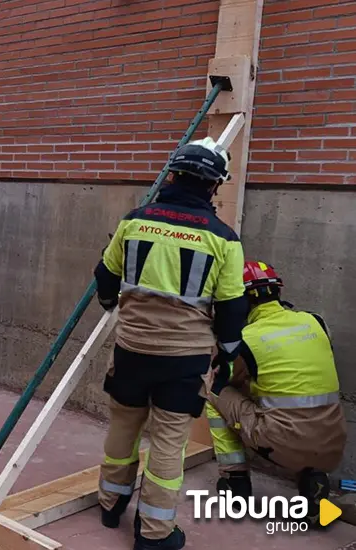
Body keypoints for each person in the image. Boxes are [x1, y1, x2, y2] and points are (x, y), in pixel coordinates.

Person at [92, 137, 248, 550]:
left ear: (173, 174)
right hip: (182, 360)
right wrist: (229, 353)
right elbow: (232, 308)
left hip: (131, 349)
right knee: (167, 443)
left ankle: (110, 504)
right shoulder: (223, 238)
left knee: (123, 427)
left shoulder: (135, 221)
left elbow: (106, 276)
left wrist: (112, 303)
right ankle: (155, 533)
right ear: (214, 186)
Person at [204, 260, 346, 526]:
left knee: (213, 388)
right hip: (332, 443)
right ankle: (313, 480)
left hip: (282, 442)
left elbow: (226, 378)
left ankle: (235, 483)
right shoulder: (316, 322)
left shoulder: (248, 338)